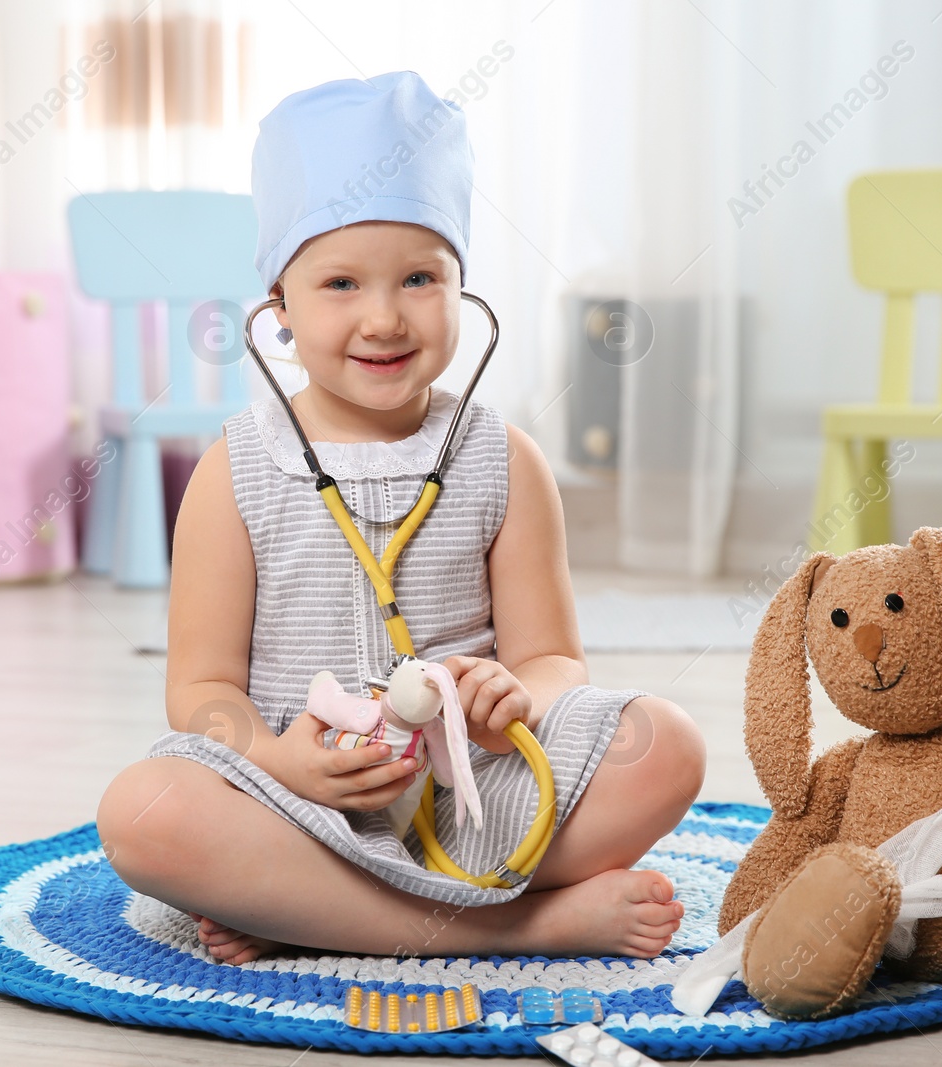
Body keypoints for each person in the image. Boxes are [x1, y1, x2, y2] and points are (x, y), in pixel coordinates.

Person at [97, 71, 705, 965]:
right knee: (142, 813)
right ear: (280, 307)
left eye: (419, 277)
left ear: (462, 286)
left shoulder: (506, 461)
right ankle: (523, 923)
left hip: (473, 792)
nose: (383, 317)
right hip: (296, 799)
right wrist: (283, 763)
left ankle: (309, 913)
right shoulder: (235, 469)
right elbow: (201, 692)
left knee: (668, 745)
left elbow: (553, 657)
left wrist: (518, 700)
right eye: (340, 282)